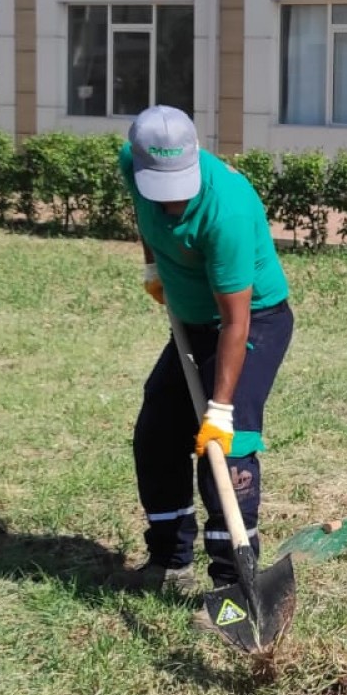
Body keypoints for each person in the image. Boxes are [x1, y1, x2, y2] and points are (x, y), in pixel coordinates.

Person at [118, 105, 293, 599]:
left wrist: (218, 411)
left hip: (251, 322)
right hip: (191, 321)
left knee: (225, 444)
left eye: (180, 187)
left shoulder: (228, 209)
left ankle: (232, 584)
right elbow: (144, 215)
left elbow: (235, 322)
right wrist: (154, 269)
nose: (172, 201)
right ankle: (170, 560)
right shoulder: (132, 165)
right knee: (158, 429)